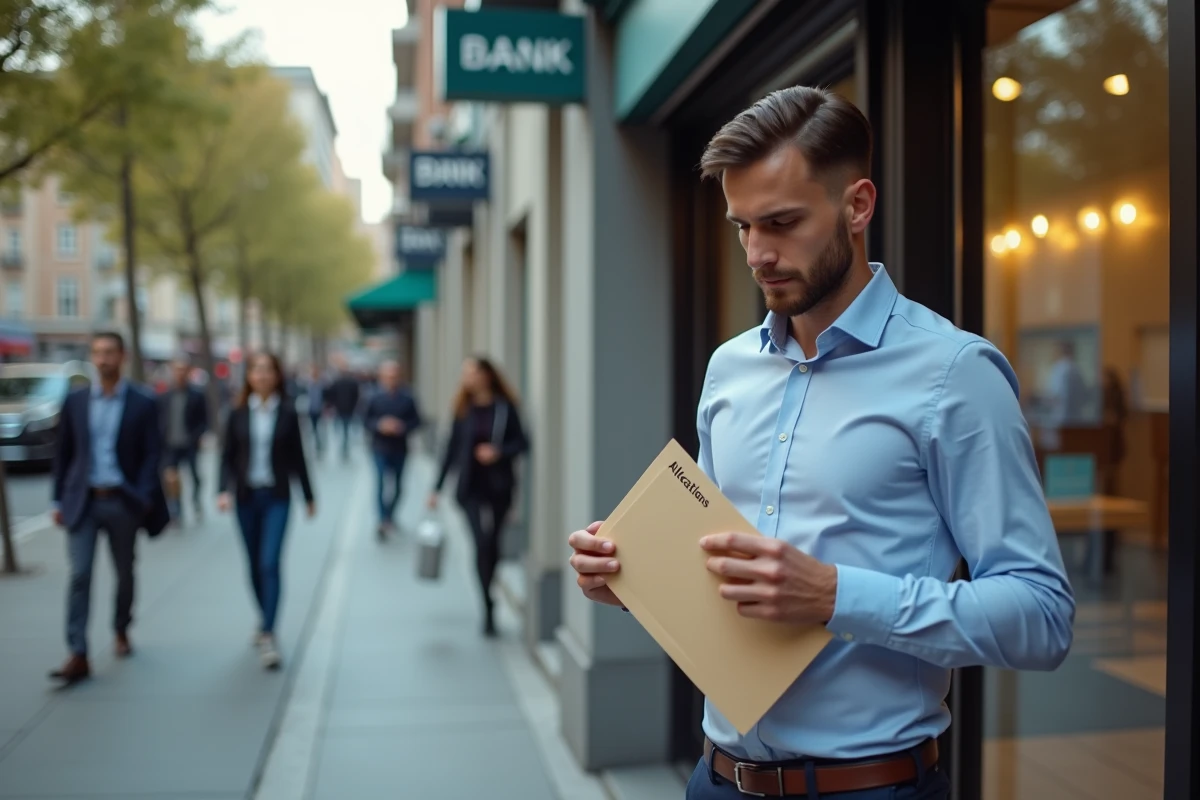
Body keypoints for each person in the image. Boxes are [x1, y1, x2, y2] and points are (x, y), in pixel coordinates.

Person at [567, 86, 1075, 800]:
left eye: (780, 222)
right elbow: (717, 569)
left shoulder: (956, 374)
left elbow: (1041, 617)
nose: (757, 253)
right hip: (715, 781)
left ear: (858, 206)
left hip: (871, 787)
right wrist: (632, 576)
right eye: (741, 226)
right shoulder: (728, 370)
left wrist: (837, 596)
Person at [49, 331, 170, 684]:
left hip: (123, 501)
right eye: (98, 352)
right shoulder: (75, 400)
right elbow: (64, 453)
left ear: (123, 356)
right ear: (92, 356)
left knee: (124, 571)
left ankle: (121, 627)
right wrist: (58, 499)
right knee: (79, 574)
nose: (103, 359)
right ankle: (78, 652)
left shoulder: (143, 402)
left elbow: (153, 454)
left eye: (110, 352)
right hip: (82, 501)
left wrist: (144, 495)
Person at [216, 352, 315, 670]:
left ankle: (269, 633)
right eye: (256, 370)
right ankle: (264, 617)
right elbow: (227, 456)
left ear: (276, 376)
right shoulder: (237, 413)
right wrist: (222, 491)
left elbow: (299, 457)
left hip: (277, 498)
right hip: (245, 498)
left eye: (268, 370)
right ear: (249, 376)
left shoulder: (287, 413)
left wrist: (309, 496)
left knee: (270, 562)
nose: (261, 376)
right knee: (254, 565)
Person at [428, 357, 529, 636]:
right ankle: (487, 605)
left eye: (472, 372)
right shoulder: (463, 408)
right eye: (465, 373)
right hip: (469, 487)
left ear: (486, 375)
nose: (467, 377)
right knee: (480, 544)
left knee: (492, 544)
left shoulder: (505, 408)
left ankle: (489, 590)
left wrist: (499, 452)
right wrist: (436, 488)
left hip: (498, 486)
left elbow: (522, 442)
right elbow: (451, 448)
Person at [363, 360, 422, 539]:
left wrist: (402, 426)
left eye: (395, 376)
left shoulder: (408, 397)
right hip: (379, 447)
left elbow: (418, 421)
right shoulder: (373, 396)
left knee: (398, 487)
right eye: (388, 376)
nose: (392, 379)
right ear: (382, 377)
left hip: (400, 448)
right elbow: (365, 420)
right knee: (380, 483)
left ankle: (389, 514)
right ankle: (382, 520)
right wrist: (380, 425)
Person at [157, 359, 209, 524]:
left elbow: (204, 420)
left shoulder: (197, 396)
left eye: (183, 370)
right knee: (171, 479)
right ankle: (176, 511)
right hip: (170, 445)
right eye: (176, 370)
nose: (179, 374)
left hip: (190, 444)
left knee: (194, 476)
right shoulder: (164, 397)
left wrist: (199, 436)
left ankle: (196, 501)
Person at [325, 365, 361, 462]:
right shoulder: (351, 382)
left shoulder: (337, 382)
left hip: (341, 409)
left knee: (342, 429)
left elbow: (330, 394)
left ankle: (343, 447)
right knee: (344, 429)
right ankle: (344, 447)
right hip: (346, 409)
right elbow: (356, 396)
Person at [302, 364, 327, 458]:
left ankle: (319, 445)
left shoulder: (322, 384)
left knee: (320, 429)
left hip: (320, 410)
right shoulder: (308, 384)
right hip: (311, 409)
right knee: (313, 428)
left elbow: (326, 396)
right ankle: (315, 445)